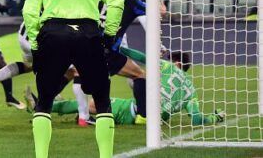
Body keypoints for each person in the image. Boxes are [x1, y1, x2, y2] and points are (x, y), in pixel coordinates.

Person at [23, 0, 124, 158]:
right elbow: (117, 2)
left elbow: (29, 12)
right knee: (102, 100)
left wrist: (35, 43)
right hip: (88, 34)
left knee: (45, 101)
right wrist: (108, 36)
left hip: (53, 33)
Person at [38, 47, 225, 126]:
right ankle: (52, 105)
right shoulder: (191, 90)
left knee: (93, 104)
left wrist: (119, 49)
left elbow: (141, 56)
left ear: (176, 63)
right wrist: (216, 117)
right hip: (155, 118)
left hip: (132, 111)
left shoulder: (166, 66)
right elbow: (197, 119)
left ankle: (43, 107)